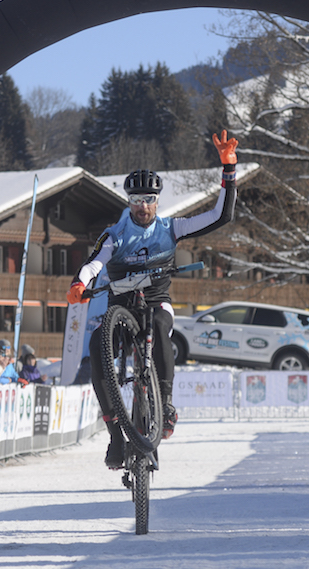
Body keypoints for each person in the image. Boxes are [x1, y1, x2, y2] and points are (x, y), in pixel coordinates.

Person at [67, 131, 238, 469]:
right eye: (136, 200)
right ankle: (115, 433)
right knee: (98, 345)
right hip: (120, 307)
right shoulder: (115, 234)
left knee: (160, 325)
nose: (142, 206)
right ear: (128, 202)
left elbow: (221, 216)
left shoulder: (172, 227)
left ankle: (167, 401)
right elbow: (94, 263)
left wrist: (228, 169)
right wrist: (79, 283)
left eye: (149, 200)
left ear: (157, 202)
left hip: (156, 302)